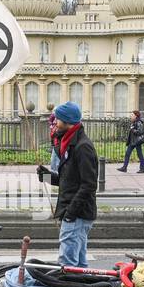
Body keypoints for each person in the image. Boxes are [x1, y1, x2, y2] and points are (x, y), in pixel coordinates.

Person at [37, 102, 98, 269]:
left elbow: (89, 185)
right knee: (78, 263)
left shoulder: (82, 146)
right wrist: (47, 177)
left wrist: (71, 212)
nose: (55, 122)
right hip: (75, 211)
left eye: (58, 119)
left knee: (68, 264)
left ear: (67, 121)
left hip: (77, 213)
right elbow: (69, 180)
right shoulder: (70, 143)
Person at [119, 109, 144, 174]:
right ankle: (124, 168)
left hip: (137, 141)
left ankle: (143, 168)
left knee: (139, 154)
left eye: (132, 115)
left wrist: (133, 130)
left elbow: (140, 131)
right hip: (133, 141)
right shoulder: (134, 122)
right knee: (128, 154)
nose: (131, 116)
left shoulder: (139, 122)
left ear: (136, 116)